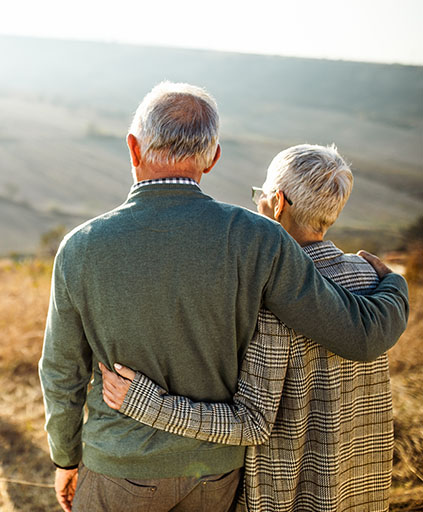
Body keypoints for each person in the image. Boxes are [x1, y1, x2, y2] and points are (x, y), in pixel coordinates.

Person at [38, 82, 409, 512]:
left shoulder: (81, 246)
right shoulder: (258, 238)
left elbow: (62, 372)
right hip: (216, 475)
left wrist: (65, 458)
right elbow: (355, 332)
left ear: (133, 149)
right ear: (213, 158)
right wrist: (393, 284)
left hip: (119, 468)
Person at [100, 144, 396, 511]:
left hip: (289, 495)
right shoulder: (371, 278)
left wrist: (149, 405)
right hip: (361, 489)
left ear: (277, 203)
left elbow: (253, 423)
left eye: (260, 196)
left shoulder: (268, 297)